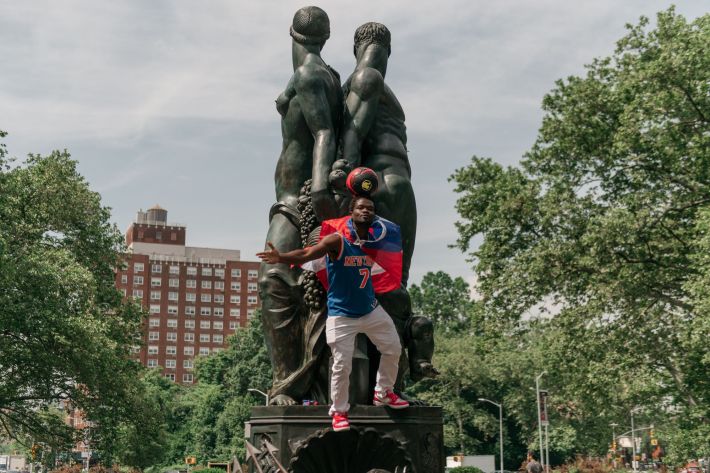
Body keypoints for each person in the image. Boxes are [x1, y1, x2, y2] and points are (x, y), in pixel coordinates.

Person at [257, 196, 409, 432]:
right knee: (341, 365)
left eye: (370, 208)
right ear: (352, 212)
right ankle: (339, 412)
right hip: (342, 315)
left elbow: (390, 261)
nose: (366, 211)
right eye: (361, 208)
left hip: (370, 310)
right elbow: (307, 254)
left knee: (394, 348)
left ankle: (383, 392)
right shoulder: (337, 240)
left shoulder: (375, 240)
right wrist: (281, 258)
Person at [258, 6, 343, 406]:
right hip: (292, 197)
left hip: (300, 198)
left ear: (290, 33)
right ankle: (302, 381)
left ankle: (285, 384)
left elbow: (324, 131)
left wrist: (321, 189)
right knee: (289, 282)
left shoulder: (310, 74)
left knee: (273, 279)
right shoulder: (315, 74)